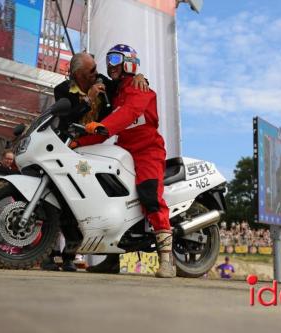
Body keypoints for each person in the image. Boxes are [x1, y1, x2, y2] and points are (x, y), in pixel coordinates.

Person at [41, 52, 148, 272]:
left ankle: (110, 253)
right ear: (78, 74)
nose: (97, 73)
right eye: (91, 70)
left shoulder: (104, 83)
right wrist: (89, 99)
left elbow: (125, 84)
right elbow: (68, 118)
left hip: (97, 146)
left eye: (96, 68)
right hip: (69, 147)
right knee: (63, 200)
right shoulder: (62, 90)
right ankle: (57, 255)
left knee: (97, 197)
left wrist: (142, 78)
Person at [75, 44, 175, 278]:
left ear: (129, 61)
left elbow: (127, 113)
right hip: (124, 149)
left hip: (148, 149)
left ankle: (167, 261)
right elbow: (108, 127)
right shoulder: (115, 92)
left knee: (150, 195)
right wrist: (76, 143)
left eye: (116, 58)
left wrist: (104, 126)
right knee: (111, 197)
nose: (111, 64)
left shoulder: (140, 89)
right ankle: (112, 260)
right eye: (108, 59)